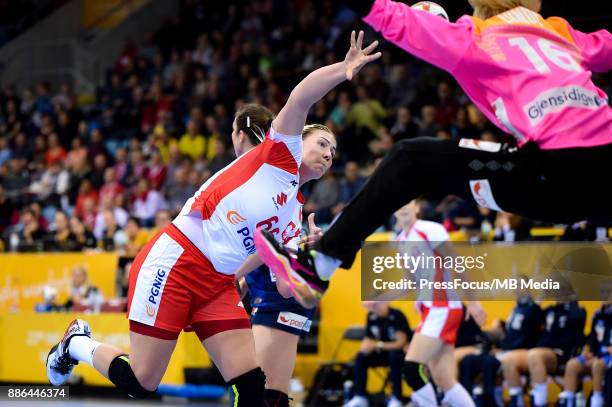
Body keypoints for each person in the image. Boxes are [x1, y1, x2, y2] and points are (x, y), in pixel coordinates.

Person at [45, 31, 380, 406]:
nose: (329, 154)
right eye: (322, 143)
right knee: (142, 382)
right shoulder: (277, 153)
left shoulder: (293, 213)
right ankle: (77, 343)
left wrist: (307, 253)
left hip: (217, 285)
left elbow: (285, 286)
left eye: (334, 151)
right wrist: (343, 69)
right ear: (298, 140)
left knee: (256, 393)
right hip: (176, 262)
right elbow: (301, 96)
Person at [254, 0, 612, 308]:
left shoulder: (474, 37)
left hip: (552, 175)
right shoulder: (562, 33)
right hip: (598, 170)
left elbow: (391, 17)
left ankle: (320, 265)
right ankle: (319, 265)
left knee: (413, 160)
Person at [344, 301, 411, 407]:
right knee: (361, 357)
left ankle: (396, 397)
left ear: (386, 303)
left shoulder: (397, 316)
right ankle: (360, 396)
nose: (375, 308)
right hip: (381, 353)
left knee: (394, 357)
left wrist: (377, 345)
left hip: (398, 354)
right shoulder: (371, 316)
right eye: (372, 306)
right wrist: (365, 346)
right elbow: (369, 337)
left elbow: (400, 343)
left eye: (377, 304)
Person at [558, 297, 612, 407]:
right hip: (597, 355)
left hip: (607, 356)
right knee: (572, 364)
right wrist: (589, 351)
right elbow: (592, 337)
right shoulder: (597, 314)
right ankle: (569, 400)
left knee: (598, 365)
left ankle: (597, 400)